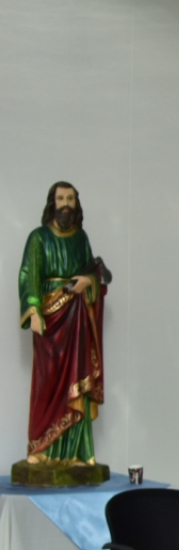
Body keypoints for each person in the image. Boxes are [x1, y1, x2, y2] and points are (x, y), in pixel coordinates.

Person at [18, 182, 108, 468]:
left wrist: (88, 282)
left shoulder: (81, 238)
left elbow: (93, 275)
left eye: (70, 198)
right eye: (61, 199)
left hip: (77, 318)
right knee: (48, 381)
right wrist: (33, 310)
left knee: (76, 379)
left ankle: (78, 453)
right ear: (52, 203)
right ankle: (41, 447)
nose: (65, 204)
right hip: (49, 315)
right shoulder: (39, 238)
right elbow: (29, 274)